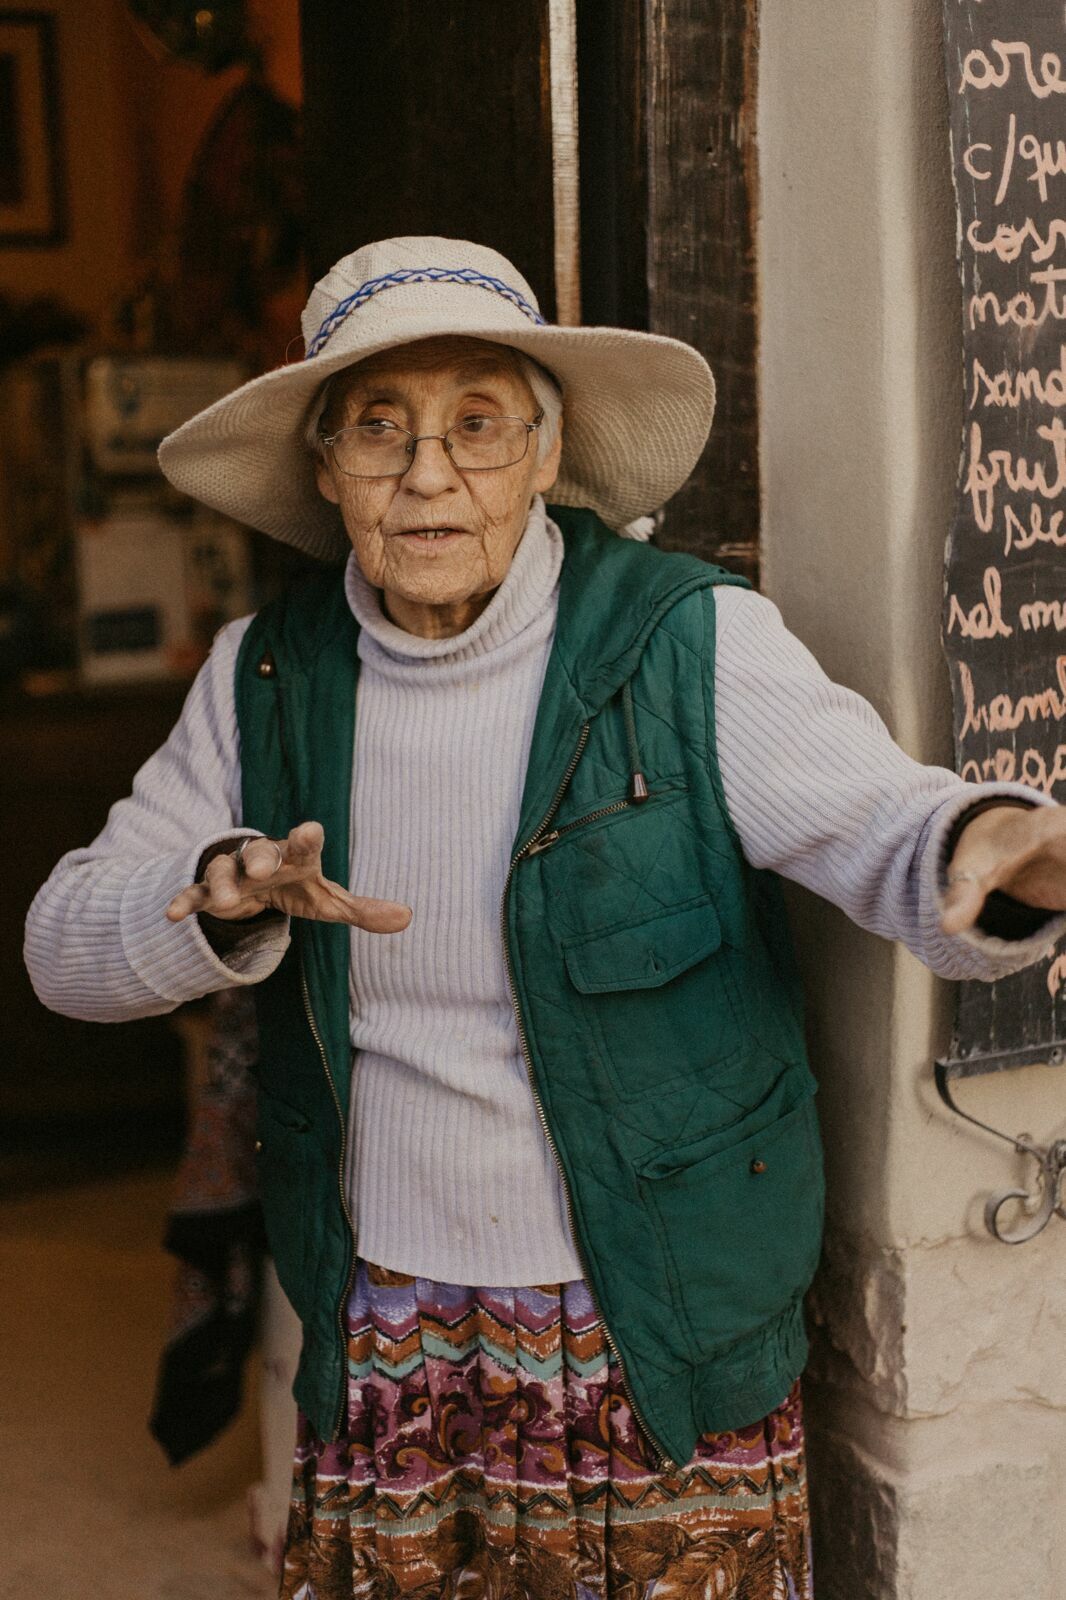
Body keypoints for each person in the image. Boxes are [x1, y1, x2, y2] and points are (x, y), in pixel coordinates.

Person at [25, 236, 1066, 1600]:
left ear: (545, 452)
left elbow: (879, 823)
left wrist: (996, 842)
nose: (427, 473)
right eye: (378, 427)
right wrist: (215, 895)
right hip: (384, 1312)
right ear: (324, 467)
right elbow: (61, 950)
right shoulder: (263, 676)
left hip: (653, 1312)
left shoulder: (687, 640)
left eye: (476, 423)